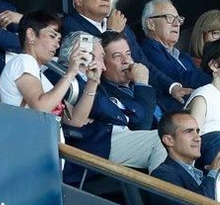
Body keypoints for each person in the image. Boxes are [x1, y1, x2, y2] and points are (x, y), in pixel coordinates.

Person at [62, 30, 167, 171]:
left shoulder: (92, 83)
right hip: (98, 145)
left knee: (181, 137)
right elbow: (138, 122)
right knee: (167, 138)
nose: (127, 61)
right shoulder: (70, 81)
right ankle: (163, 192)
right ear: (84, 56)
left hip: (115, 137)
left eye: (129, 54)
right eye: (102, 58)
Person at [0, 11, 95, 131]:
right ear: (31, 34)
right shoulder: (24, 61)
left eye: (59, 39)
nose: (57, 45)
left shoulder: (39, 76)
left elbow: (76, 119)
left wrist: (93, 82)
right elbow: (41, 108)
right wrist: (70, 73)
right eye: (52, 36)